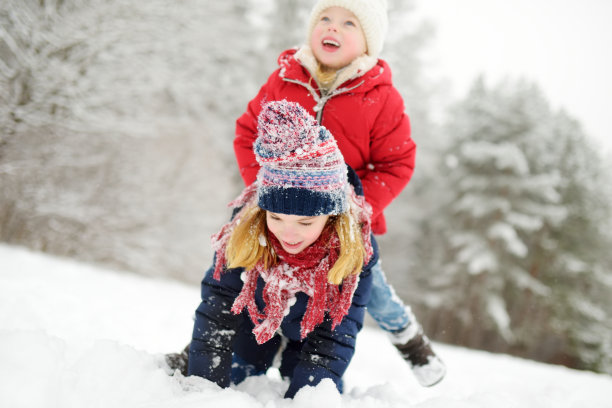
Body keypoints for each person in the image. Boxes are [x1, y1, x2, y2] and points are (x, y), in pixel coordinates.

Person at [232, 0, 445, 386]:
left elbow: (397, 163)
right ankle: (231, 346)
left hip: (343, 221)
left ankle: (407, 337)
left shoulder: (381, 96)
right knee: (242, 271)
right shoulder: (284, 79)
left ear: (368, 42)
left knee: (366, 288)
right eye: (325, 18)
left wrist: (357, 205)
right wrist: (265, 187)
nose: (333, 27)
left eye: (349, 23)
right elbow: (248, 133)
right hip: (283, 216)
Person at [185, 100, 377, 398]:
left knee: (315, 390)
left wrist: (306, 396)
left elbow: (336, 334)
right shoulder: (246, 230)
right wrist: (204, 387)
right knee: (239, 369)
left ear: (332, 217)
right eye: (276, 217)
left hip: (313, 328)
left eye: (305, 222)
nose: (288, 233)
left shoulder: (354, 248)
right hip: (255, 314)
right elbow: (219, 304)